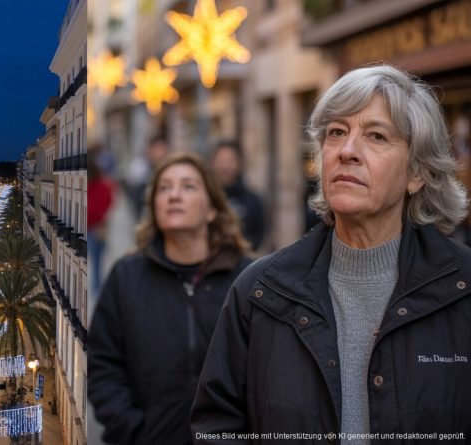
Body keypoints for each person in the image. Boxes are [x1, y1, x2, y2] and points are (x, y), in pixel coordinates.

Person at [191, 65, 471, 442]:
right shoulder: (260, 292)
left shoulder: (463, 290)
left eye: (376, 136)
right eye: (336, 133)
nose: (347, 151)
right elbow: (216, 425)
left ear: (416, 173)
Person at [89, 151, 251, 444]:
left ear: (212, 208)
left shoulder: (247, 280)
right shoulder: (126, 276)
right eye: (164, 188)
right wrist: (132, 429)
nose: (174, 195)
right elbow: (102, 364)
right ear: (154, 206)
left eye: (188, 186)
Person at [210, 141, 265, 250]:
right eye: (221, 160)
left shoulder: (252, 200)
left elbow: (258, 236)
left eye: (230, 161)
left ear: (239, 164)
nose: (225, 167)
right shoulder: (206, 198)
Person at [87, 146, 115, 297]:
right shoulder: (103, 186)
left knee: (95, 258)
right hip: (99, 226)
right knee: (98, 258)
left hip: (93, 227)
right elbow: (110, 200)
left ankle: (96, 288)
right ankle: (96, 288)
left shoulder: (92, 186)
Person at [124, 135, 169, 220]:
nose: (161, 153)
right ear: (150, 149)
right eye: (158, 149)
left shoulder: (167, 167)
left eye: (163, 149)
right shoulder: (139, 167)